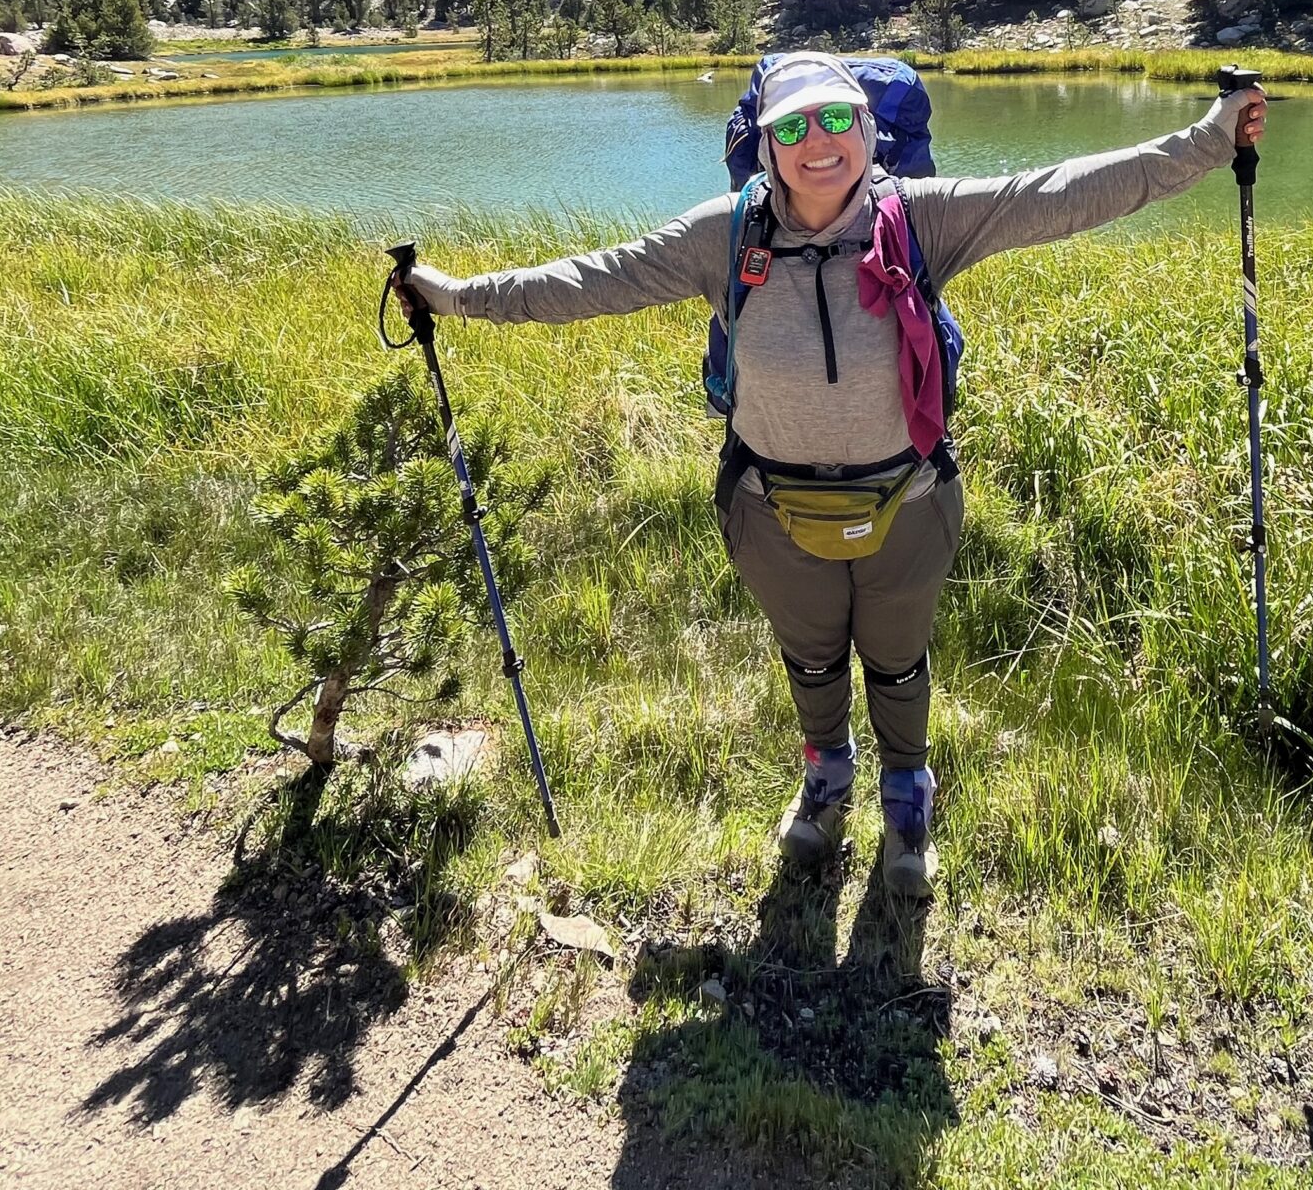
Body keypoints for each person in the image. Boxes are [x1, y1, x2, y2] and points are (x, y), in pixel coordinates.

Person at [403, 53, 1265, 899]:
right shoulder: (723, 236)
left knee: (897, 664)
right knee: (811, 661)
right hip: (769, 509)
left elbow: (1063, 193)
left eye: (839, 118)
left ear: (867, 129)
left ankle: (906, 801)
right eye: (794, 125)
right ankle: (825, 781)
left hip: (909, 503)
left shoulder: (919, 219)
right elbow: (592, 279)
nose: (820, 141)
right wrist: (459, 297)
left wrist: (1208, 141)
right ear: (766, 142)